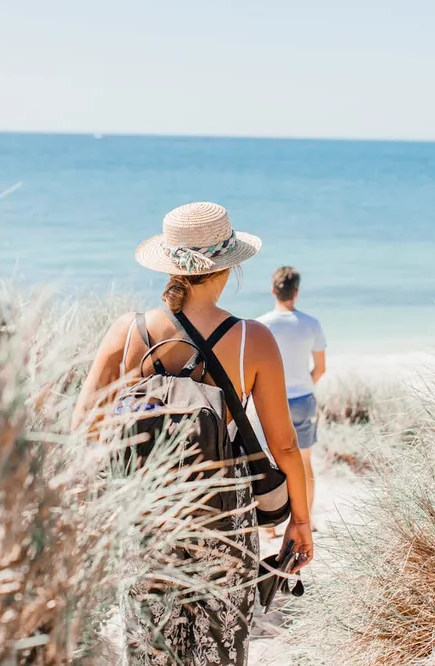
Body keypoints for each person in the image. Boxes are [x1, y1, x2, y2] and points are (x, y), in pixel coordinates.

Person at [71, 202, 313, 666]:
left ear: (170, 265)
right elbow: (284, 444)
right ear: (230, 266)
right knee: (217, 649)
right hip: (223, 515)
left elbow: (83, 427)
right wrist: (299, 521)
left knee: (149, 647)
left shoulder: (127, 331)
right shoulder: (253, 339)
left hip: (146, 514)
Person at [257, 267, 327, 527]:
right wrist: (303, 385)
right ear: (296, 292)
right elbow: (320, 368)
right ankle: (305, 519)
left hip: (270, 401)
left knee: (270, 460)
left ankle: (270, 526)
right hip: (303, 400)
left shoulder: (261, 325)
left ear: (272, 291)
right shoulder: (311, 324)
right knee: (305, 460)